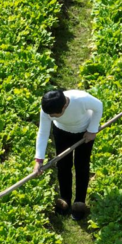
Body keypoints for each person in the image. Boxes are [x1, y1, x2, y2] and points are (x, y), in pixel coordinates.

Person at [33, 89, 103, 220]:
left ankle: (79, 202)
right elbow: (43, 132)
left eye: (55, 115)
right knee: (63, 164)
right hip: (61, 132)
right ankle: (65, 198)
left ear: (64, 106)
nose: (51, 117)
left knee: (81, 165)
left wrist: (92, 130)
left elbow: (99, 106)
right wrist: (39, 160)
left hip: (84, 133)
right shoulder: (48, 109)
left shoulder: (81, 99)